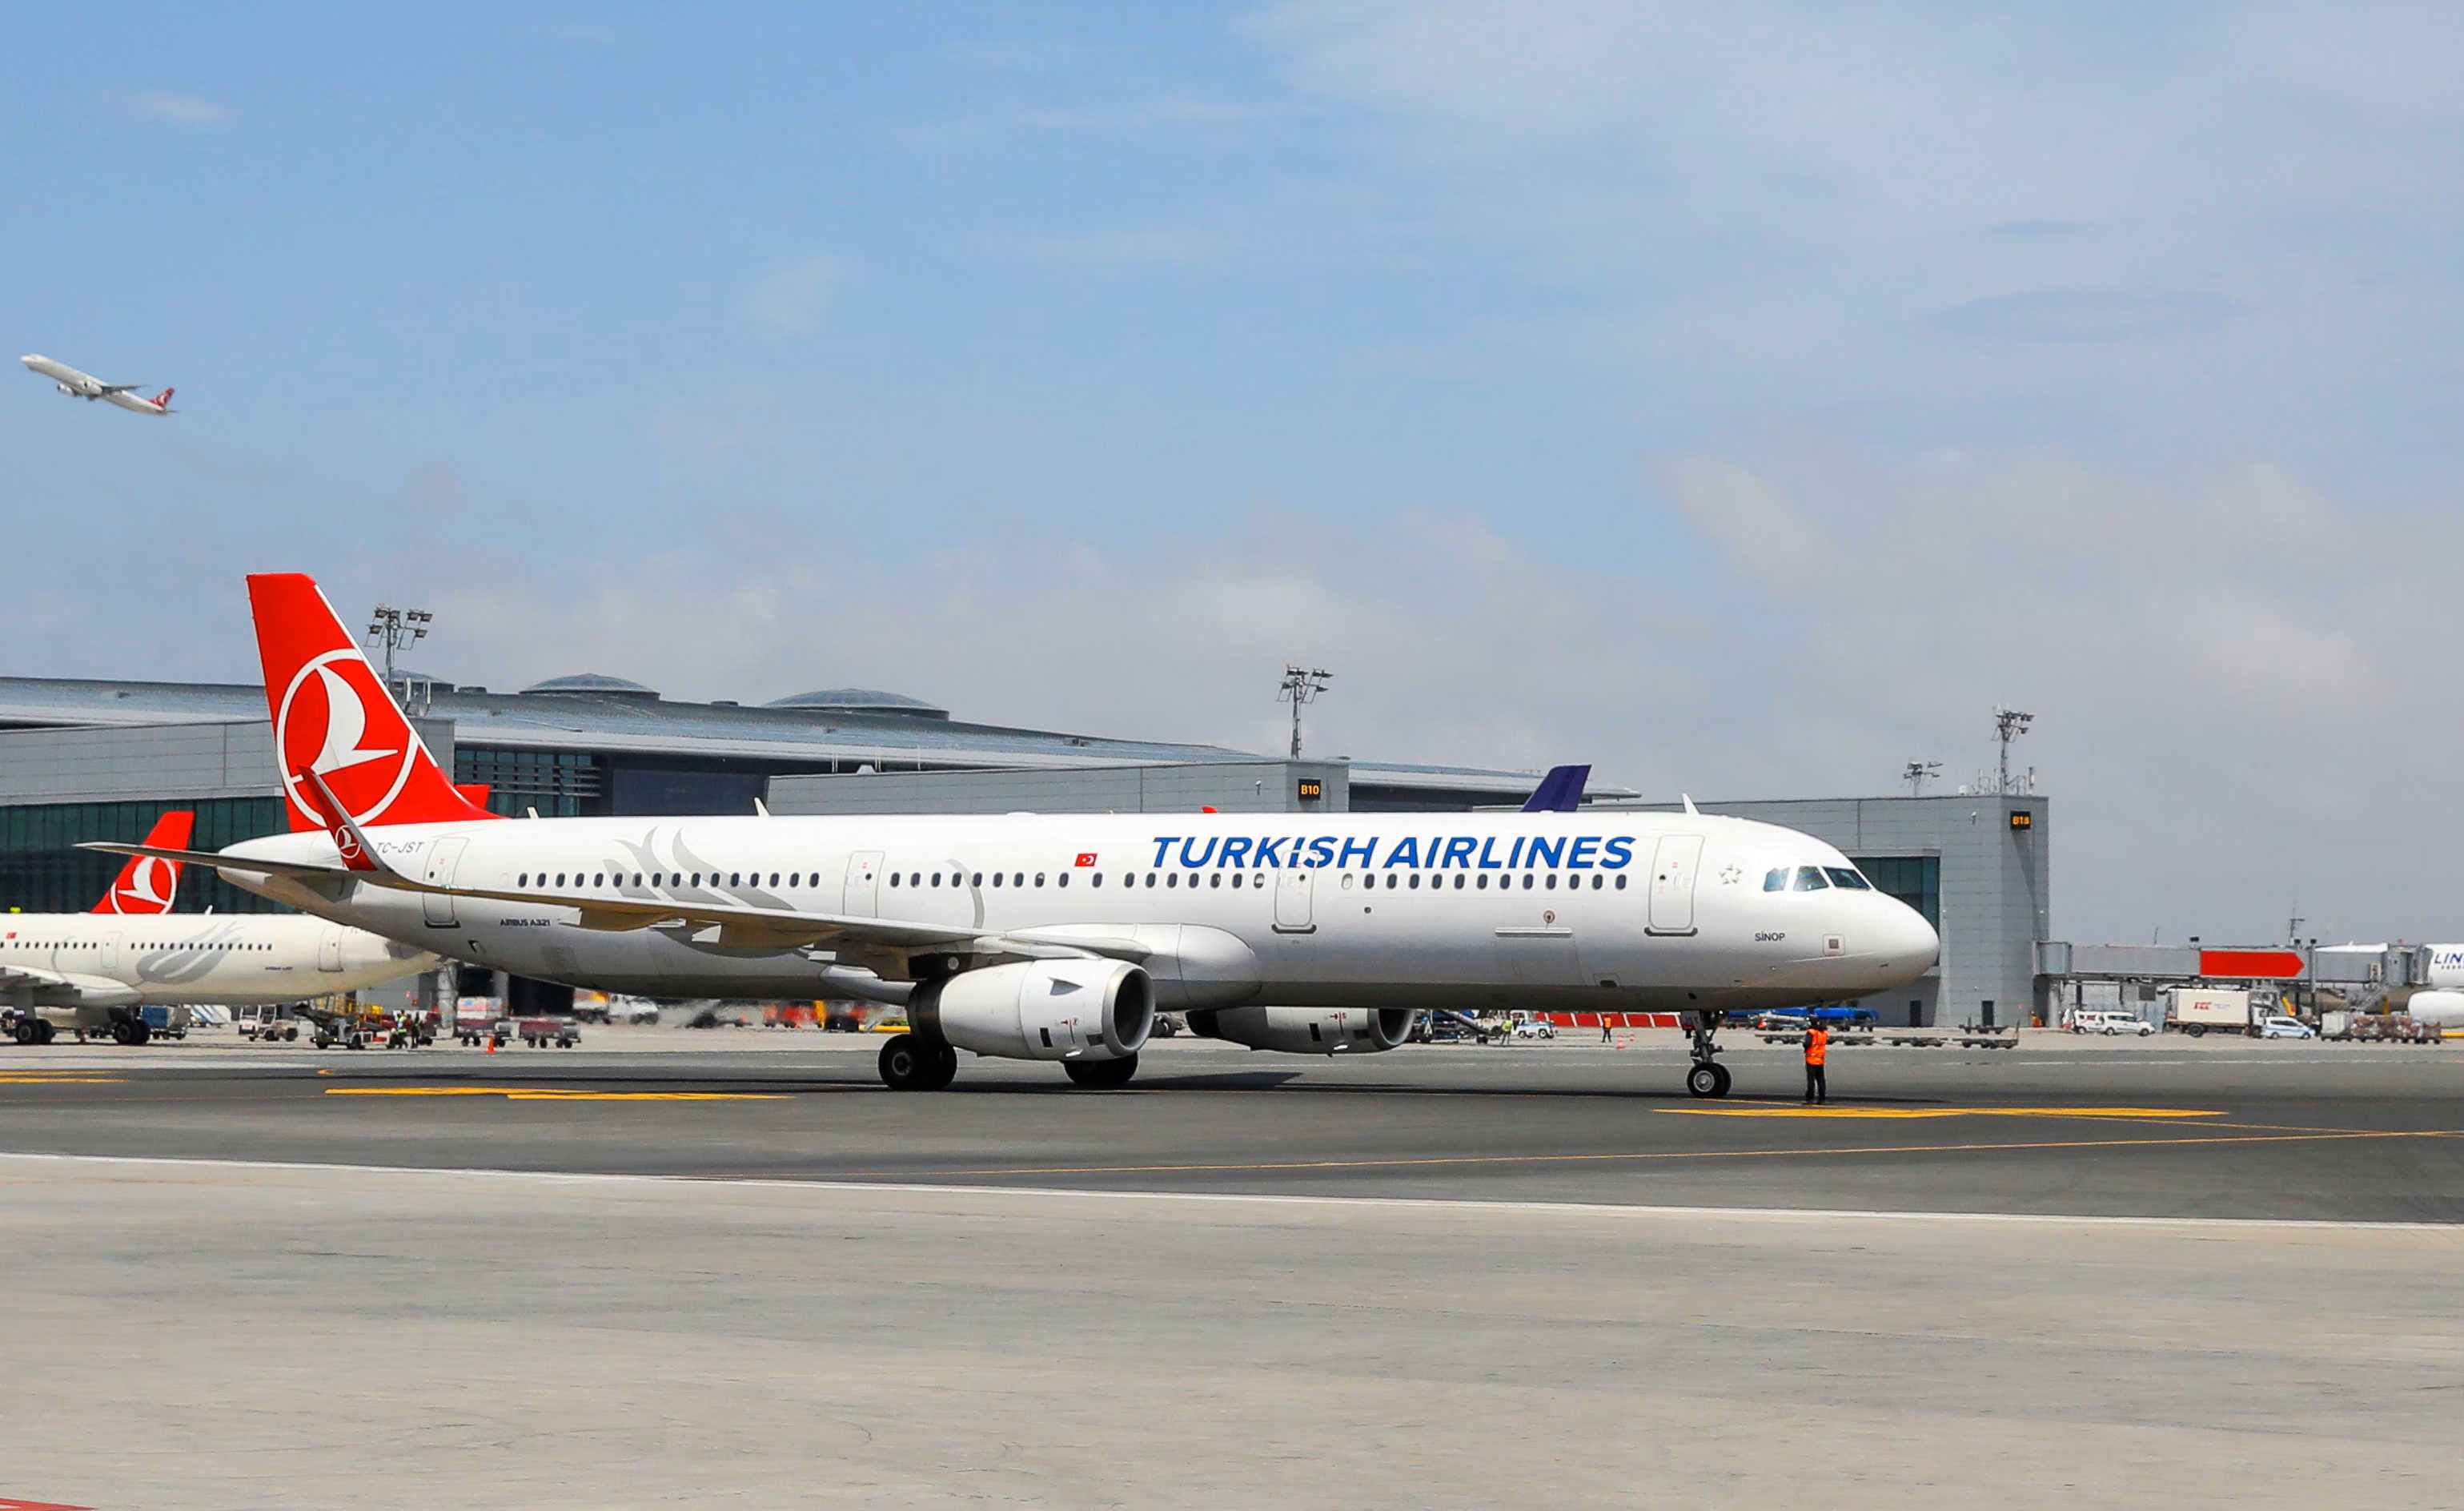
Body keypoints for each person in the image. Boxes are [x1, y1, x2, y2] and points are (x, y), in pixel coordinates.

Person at [1803, 1019, 1828, 1104]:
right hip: (1820, 1059)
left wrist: (1805, 1046)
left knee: (1811, 1080)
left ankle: (1810, 1098)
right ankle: (1822, 1098)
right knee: (1821, 1080)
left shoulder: (1811, 1032)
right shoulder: (1824, 1033)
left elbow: (1808, 1043)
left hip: (1811, 1059)